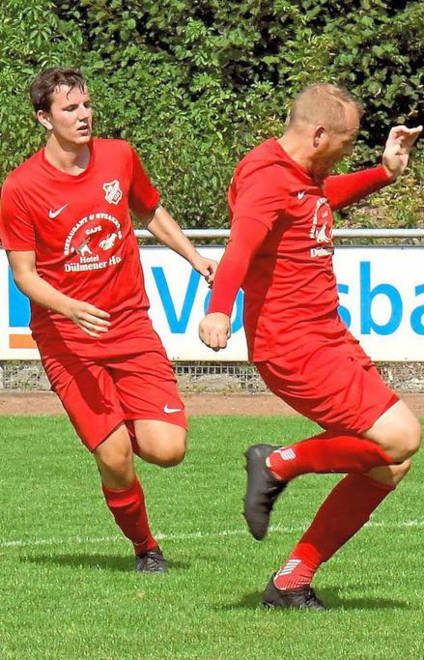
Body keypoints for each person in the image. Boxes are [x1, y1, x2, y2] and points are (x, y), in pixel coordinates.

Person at [199, 83, 423, 610]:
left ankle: (292, 579)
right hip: (292, 344)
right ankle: (280, 462)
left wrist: (383, 172)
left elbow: (322, 200)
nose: (347, 151)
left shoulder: (302, 178)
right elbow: (242, 245)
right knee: (401, 435)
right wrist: (218, 308)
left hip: (328, 335)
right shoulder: (267, 178)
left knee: (388, 463)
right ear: (318, 133)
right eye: (345, 143)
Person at [0, 67, 217, 573]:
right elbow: (24, 277)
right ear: (43, 119)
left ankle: (119, 423)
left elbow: (150, 210)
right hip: (67, 340)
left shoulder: (119, 157)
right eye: (69, 109)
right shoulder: (20, 187)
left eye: (86, 105)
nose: (83, 116)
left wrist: (194, 255)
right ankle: (146, 548)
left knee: (168, 450)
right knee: (116, 456)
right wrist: (70, 306)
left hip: (129, 327)